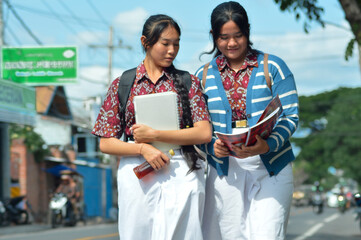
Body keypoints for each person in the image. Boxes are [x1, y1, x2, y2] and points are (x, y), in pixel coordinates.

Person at [92, 14, 212, 240]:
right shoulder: (123, 84)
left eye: (176, 43)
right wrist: (142, 148)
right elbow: (106, 142)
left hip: (182, 168)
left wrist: (154, 135)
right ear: (145, 42)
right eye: (165, 43)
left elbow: (204, 132)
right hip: (138, 172)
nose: (172, 50)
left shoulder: (189, 82)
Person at [195, 2, 299, 239]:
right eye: (223, 37)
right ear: (214, 36)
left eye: (238, 35)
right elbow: (197, 126)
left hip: (271, 166)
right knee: (228, 235)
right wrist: (212, 146)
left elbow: (291, 116)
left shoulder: (273, 67)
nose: (231, 43)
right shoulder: (202, 76)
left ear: (248, 32)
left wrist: (268, 144)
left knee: (268, 233)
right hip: (224, 171)